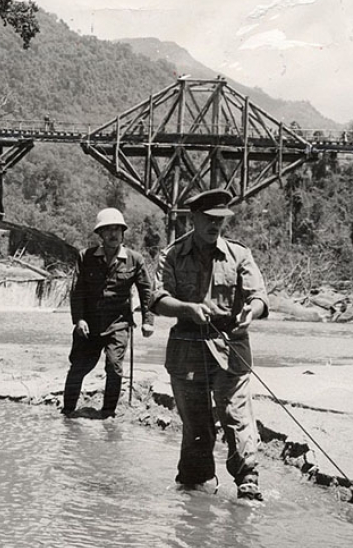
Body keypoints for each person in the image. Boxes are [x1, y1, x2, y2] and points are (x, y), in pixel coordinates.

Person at [150, 188, 269, 500]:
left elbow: (259, 297)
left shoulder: (239, 255)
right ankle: (197, 489)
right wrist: (187, 309)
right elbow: (158, 299)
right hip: (187, 349)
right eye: (210, 219)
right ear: (194, 218)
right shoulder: (172, 255)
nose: (216, 225)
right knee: (196, 424)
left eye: (221, 220)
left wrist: (250, 312)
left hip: (231, 348)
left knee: (237, 415)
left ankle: (248, 481)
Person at [63, 207, 155, 418]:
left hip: (119, 323)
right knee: (78, 368)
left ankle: (108, 413)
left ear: (123, 233)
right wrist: (79, 320)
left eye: (117, 230)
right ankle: (67, 413)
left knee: (114, 366)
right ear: (100, 234)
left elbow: (146, 292)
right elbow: (76, 291)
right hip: (90, 325)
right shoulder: (85, 257)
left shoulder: (135, 259)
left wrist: (147, 320)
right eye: (108, 230)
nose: (113, 234)